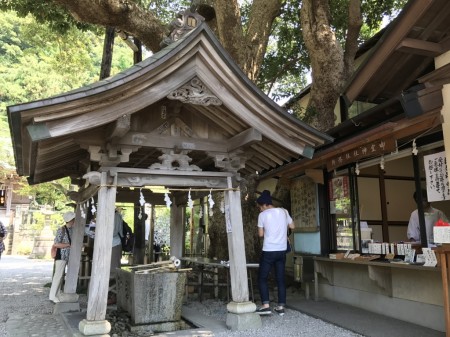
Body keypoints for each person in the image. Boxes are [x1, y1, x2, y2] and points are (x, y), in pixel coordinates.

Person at [256, 190, 295, 316]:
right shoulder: (284, 211)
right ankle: (281, 306)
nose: (260, 210)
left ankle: (266, 305)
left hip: (269, 250)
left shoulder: (262, 215)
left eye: (260, 207)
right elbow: (292, 226)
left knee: (262, 277)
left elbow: (261, 234)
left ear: (265, 204)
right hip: (281, 250)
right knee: (280, 278)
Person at [49, 211, 75, 303]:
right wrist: (68, 245)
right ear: (70, 220)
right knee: (58, 275)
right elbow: (56, 244)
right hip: (61, 255)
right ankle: (52, 296)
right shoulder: (61, 230)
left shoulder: (71, 230)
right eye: (73, 219)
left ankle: (57, 293)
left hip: (67, 256)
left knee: (61, 276)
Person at [108, 209, 123, 305]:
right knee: (110, 270)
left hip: (114, 244)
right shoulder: (114, 215)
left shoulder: (116, 216)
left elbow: (114, 231)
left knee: (113, 271)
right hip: (110, 243)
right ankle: (111, 294)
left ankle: (113, 296)